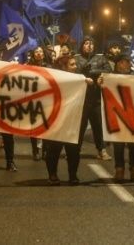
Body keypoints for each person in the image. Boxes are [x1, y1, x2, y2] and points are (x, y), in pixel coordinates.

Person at [44, 55, 93, 185]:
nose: (75, 66)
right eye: (72, 64)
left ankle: (73, 175)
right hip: (58, 119)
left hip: (74, 120)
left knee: (74, 149)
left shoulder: (81, 80)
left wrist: (89, 85)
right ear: (64, 66)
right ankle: (53, 175)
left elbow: (88, 101)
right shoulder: (54, 79)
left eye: (75, 64)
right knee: (54, 148)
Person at [106, 53, 134, 182]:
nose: (125, 64)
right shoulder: (110, 77)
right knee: (119, 143)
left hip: (133, 113)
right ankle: (119, 169)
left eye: (127, 62)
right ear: (117, 64)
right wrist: (101, 83)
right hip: (117, 113)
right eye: (122, 62)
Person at [74, 36, 113, 160]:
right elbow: (71, 72)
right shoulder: (76, 58)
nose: (89, 45)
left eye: (91, 43)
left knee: (98, 126)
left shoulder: (100, 58)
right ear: (82, 45)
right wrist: (82, 72)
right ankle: (75, 150)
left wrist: (92, 71)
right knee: (79, 126)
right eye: (86, 43)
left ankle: (101, 150)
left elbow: (108, 71)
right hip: (81, 99)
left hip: (96, 98)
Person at [25, 45, 53, 161]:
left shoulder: (49, 66)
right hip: (33, 100)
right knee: (34, 126)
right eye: (36, 51)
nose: (39, 53)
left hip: (46, 100)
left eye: (41, 51)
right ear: (33, 54)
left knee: (45, 126)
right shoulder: (28, 66)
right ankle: (35, 150)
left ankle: (45, 150)